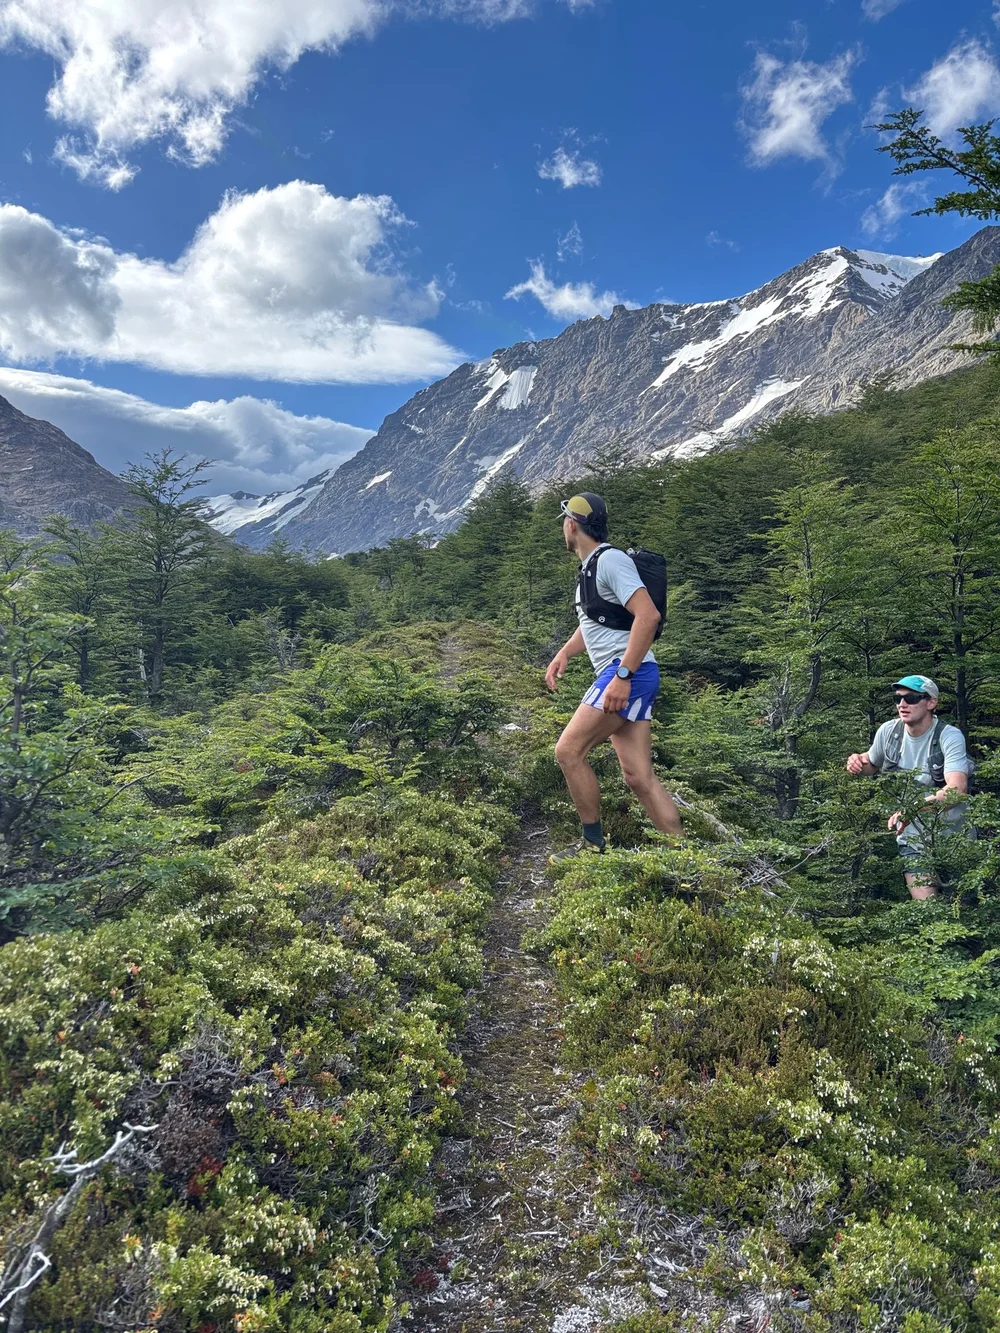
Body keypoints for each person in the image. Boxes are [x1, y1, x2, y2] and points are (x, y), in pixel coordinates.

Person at [545, 492, 683, 859]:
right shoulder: (590, 569)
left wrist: (622, 675)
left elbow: (647, 616)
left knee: (568, 751)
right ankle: (685, 858)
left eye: (564, 521)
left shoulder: (610, 560)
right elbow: (595, 624)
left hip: (628, 674)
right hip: (635, 673)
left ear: (572, 525)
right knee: (639, 776)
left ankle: (591, 845)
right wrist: (565, 652)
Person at [845, 675, 971, 900]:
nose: (902, 704)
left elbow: (957, 789)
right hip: (913, 841)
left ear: (931, 703)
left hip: (957, 843)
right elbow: (872, 763)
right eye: (898, 698)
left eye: (911, 698)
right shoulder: (889, 732)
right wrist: (857, 760)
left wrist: (915, 809)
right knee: (928, 913)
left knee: (966, 917)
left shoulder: (949, 736)